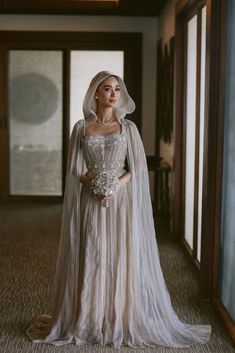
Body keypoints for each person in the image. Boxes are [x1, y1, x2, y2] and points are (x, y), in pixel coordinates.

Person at [26, 71, 211, 349]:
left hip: (120, 200)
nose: (114, 94)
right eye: (107, 89)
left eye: (117, 89)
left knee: (119, 253)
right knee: (93, 252)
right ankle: (88, 317)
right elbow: (75, 169)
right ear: (96, 93)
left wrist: (114, 185)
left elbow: (136, 168)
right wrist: (97, 185)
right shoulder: (81, 128)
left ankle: (117, 317)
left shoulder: (129, 129)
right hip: (92, 199)